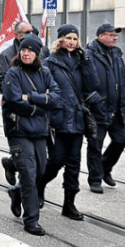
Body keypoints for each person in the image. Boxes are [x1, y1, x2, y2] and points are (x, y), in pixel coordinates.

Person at [37, 24, 100, 221]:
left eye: (75, 39)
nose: (72, 42)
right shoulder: (50, 62)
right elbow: (44, 86)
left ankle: (69, 204)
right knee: (56, 160)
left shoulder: (82, 61)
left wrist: (87, 60)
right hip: (58, 119)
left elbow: (93, 84)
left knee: (74, 163)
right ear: (61, 40)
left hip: (78, 119)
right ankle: (39, 186)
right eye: (68, 38)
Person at [2, 34, 62, 235]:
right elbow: (15, 101)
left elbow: (55, 97)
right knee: (28, 174)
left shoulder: (45, 73)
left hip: (39, 131)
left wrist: (33, 98)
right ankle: (31, 220)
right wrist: (41, 105)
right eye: (23, 50)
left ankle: (16, 192)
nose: (26, 53)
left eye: (30, 50)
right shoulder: (13, 74)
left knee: (40, 172)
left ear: (37, 54)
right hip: (19, 131)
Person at [85, 23, 125, 194]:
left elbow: (123, 78)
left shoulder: (117, 54)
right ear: (100, 36)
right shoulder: (88, 55)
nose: (115, 38)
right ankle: (95, 179)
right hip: (98, 109)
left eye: (115, 35)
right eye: (111, 35)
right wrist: (93, 99)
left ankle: (105, 167)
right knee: (95, 145)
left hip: (118, 108)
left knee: (122, 139)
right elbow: (84, 81)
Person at [0, 21, 34, 92]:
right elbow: (0, 82)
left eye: (32, 32)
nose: (31, 35)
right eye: (27, 32)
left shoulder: (37, 53)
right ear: (17, 34)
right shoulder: (5, 56)